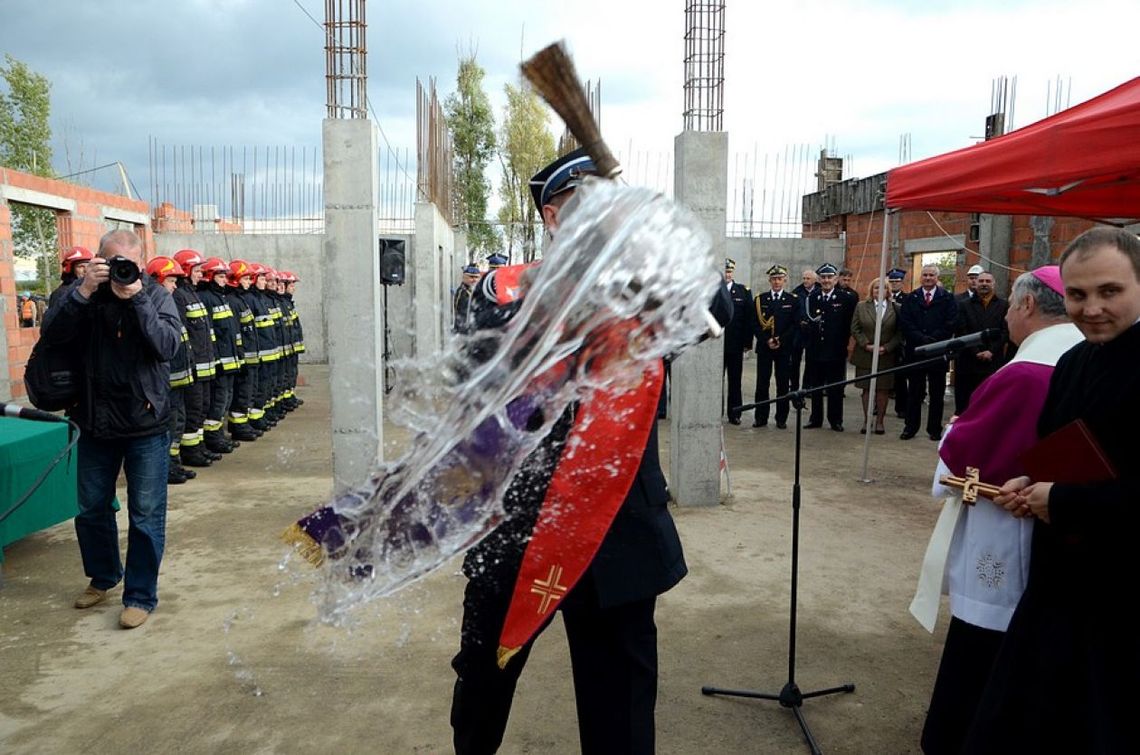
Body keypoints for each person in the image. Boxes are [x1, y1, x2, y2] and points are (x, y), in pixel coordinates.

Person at [449, 147, 733, 755]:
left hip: (616, 529)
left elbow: (718, 303)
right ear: (554, 216)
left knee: (620, 714)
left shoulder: (642, 292)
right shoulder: (506, 289)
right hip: (516, 528)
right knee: (481, 689)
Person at [963, 228, 1140, 753]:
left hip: (1125, 597)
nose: (1092, 308)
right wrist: (1027, 481)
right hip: (1059, 582)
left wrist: (1060, 500)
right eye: (1078, 295)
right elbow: (1055, 449)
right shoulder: (1073, 361)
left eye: (1110, 291)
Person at [917, 266, 1081, 755]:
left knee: (987, 636)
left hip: (1005, 523)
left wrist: (954, 429)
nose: (1007, 313)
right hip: (1056, 520)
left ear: (1028, 306)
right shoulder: (1080, 358)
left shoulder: (1027, 372)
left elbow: (961, 451)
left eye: (1011, 305)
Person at [38, 229, 182, 629]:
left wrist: (136, 298)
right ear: (98, 260)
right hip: (93, 421)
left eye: (128, 264)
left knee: (146, 514)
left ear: (140, 263)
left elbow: (167, 347)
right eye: (111, 261)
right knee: (91, 509)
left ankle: (139, 595)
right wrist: (83, 291)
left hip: (145, 424)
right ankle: (103, 577)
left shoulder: (155, 296)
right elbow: (52, 334)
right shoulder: (79, 296)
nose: (120, 270)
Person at [145, 256, 197, 486]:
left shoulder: (172, 301)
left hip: (179, 373)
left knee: (178, 420)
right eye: (171, 280)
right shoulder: (154, 303)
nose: (175, 285)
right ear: (158, 279)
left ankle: (172, 464)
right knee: (169, 423)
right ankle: (165, 466)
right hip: (167, 377)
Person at [171, 249, 219, 467]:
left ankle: (198, 448)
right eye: (198, 270)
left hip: (205, 364)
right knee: (192, 409)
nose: (201, 274)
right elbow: (183, 334)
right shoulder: (179, 296)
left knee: (202, 406)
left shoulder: (193, 294)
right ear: (186, 270)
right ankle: (190, 452)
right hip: (194, 365)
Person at [899, 264, 958, 441]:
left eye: (931, 275)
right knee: (914, 392)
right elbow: (905, 322)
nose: (928, 278)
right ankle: (910, 427)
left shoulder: (947, 298)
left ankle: (934, 428)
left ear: (936, 278)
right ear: (920, 277)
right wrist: (920, 338)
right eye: (925, 275)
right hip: (916, 351)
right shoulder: (911, 298)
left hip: (938, 351)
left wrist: (934, 339)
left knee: (937, 392)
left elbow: (951, 322)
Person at [801, 262, 856, 431]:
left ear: (836, 279)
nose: (826, 280)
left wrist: (845, 345)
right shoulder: (812, 297)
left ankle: (835, 420)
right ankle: (815, 418)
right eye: (823, 277)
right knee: (816, 387)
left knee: (835, 388)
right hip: (815, 351)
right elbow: (807, 322)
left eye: (829, 277)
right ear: (819, 279)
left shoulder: (845, 298)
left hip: (836, 351)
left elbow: (849, 325)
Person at [196, 257, 242, 454]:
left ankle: (218, 434)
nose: (225, 279)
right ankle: (213, 437)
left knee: (225, 398)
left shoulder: (221, 298)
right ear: (210, 276)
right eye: (221, 276)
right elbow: (209, 334)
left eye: (226, 276)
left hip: (229, 359)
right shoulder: (206, 298)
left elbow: (230, 331)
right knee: (218, 399)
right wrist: (215, 358)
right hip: (219, 361)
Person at [849, 277, 902, 435]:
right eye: (876, 288)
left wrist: (887, 347)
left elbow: (900, 332)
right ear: (871, 290)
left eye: (883, 288)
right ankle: (867, 420)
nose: (879, 291)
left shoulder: (896, 308)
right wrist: (866, 344)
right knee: (866, 389)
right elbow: (855, 328)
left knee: (882, 390)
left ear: (888, 291)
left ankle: (880, 421)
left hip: (886, 355)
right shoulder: (861, 306)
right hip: (865, 354)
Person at [952, 270, 1008, 415]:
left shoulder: (1003, 305)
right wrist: (976, 351)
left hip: (993, 361)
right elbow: (962, 331)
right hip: (968, 361)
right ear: (975, 283)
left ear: (994, 284)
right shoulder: (964, 305)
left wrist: (991, 351)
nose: (984, 284)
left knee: (989, 403)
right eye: (981, 281)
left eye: (987, 281)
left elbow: (1005, 332)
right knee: (965, 405)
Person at [751, 264, 797, 428]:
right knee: (762, 383)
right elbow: (755, 324)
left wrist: (780, 339)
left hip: (783, 348)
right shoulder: (760, 299)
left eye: (779, 279)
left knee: (782, 383)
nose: (777, 282)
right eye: (774, 279)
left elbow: (794, 324)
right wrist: (766, 340)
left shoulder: (792, 300)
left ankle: (781, 418)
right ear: (769, 280)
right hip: (765, 347)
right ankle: (761, 417)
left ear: (784, 280)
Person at [224, 259, 262, 442]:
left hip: (249, 354)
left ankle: (243, 423)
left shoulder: (240, 300)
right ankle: (238, 426)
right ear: (236, 280)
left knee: (247, 391)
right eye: (246, 279)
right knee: (241, 392)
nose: (249, 282)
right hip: (243, 356)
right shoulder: (233, 301)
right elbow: (235, 333)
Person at [722, 257, 754, 425]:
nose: (727, 274)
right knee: (714, 382)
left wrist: (747, 343)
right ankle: (715, 412)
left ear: (732, 272)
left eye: (729, 271)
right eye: (724, 271)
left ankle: (735, 413)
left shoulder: (743, 291)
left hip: (735, 345)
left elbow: (749, 319)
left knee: (735, 381)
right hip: (716, 347)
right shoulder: (712, 291)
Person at [887, 267, 910, 418]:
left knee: (900, 378)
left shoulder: (908, 299)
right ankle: (877, 406)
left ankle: (901, 407)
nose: (894, 284)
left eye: (897, 281)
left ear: (902, 283)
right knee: (881, 378)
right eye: (892, 281)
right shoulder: (882, 298)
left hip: (900, 343)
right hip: (885, 341)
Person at [789, 268, 818, 390]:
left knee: (811, 361)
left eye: (808, 278)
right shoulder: (796, 292)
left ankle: (807, 387)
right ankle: (794, 387)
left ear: (815, 280)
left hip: (813, 332)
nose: (805, 281)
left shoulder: (819, 291)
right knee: (794, 361)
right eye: (804, 278)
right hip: (798, 333)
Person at [49, 246, 94, 310]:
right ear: (70, 270)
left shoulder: (95, 290)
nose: (86, 270)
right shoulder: (61, 294)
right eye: (81, 266)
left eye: (89, 266)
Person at [454, 264, 480, 334]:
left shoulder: (474, 290)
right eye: (471, 277)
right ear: (464, 278)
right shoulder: (462, 291)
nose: (474, 280)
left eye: (477, 277)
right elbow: (460, 311)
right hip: (463, 328)